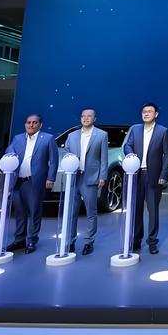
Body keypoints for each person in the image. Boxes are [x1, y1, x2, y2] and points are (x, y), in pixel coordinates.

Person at [4, 114, 58, 254]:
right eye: (28, 122)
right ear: (25, 124)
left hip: (34, 181)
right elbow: (9, 151)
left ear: (40, 124)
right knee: (19, 212)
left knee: (34, 212)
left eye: (34, 122)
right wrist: (10, 154)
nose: (31, 125)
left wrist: (51, 178)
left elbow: (54, 161)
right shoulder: (17, 138)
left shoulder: (48, 138)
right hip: (17, 181)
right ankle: (19, 239)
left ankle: (31, 240)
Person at [123, 103, 168, 254]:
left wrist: (163, 176)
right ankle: (136, 240)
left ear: (156, 114)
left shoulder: (163, 131)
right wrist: (130, 154)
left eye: (149, 111)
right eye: (144, 111)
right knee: (136, 209)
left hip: (154, 176)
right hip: (136, 176)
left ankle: (152, 241)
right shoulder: (135, 129)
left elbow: (167, 155)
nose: (146, 113)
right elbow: (127, 146)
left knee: (153, 210)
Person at [63, 108, 108, 256]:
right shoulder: (72, 135)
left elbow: (104, 158)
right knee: (71, 212)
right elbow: (66, 153)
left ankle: (89, 242)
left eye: (89, 116)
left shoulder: (101, 135)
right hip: (74, 177)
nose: (86, 118)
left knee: (91, 212)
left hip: (91, 177)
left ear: (94, 119)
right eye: (83, 116)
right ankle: (70, 241)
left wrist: (102, 176)